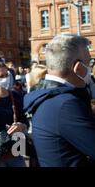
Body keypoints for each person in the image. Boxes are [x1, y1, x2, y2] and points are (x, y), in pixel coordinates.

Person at [24, 34, 95, 166]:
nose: (90, 69)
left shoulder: (47, 95)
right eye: (89, 62)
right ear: (78, 67)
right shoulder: (66, 104)